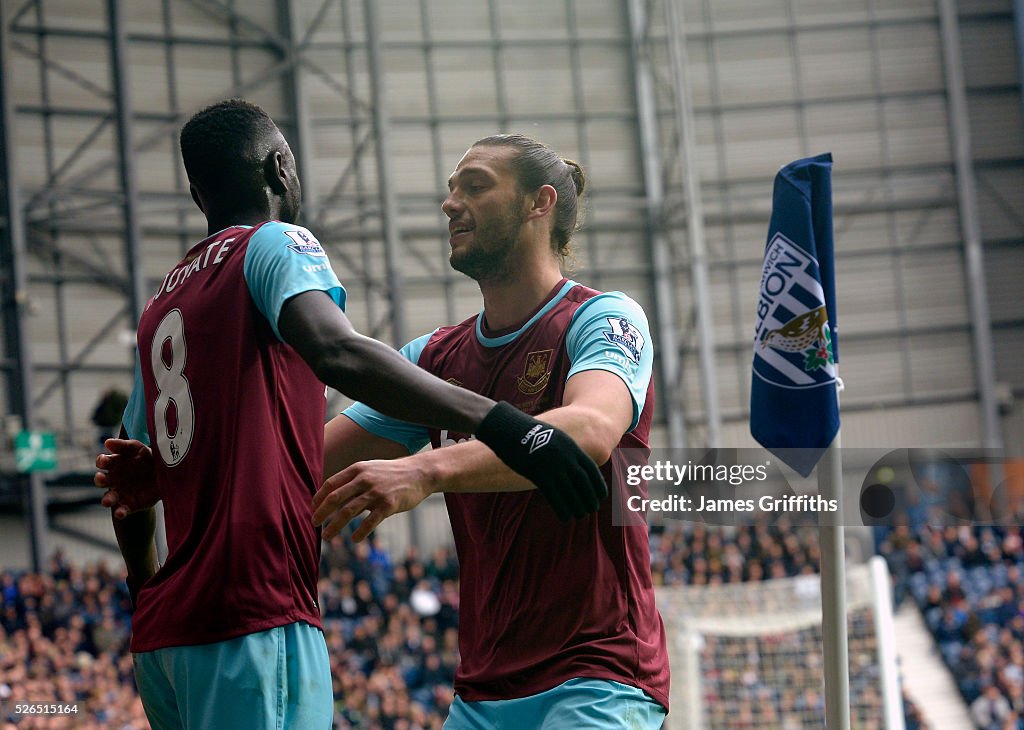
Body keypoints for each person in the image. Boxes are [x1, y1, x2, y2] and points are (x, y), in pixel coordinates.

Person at [94, 103, 604, 730]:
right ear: (282, 169)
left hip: (165, 634)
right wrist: (502, 422)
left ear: (198, 192)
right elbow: (337, 351)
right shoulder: (275, 243)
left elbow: (127, 488)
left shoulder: (159, 306)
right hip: (253, 611)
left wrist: (146, 592)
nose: (450, 204)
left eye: (470, 188)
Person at [311, 134, 670, 728]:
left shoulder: (602, 317)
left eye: (475, 186)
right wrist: (173, 470)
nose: (451, 203)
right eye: (450, 190)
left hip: (599, 676)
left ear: (539, 203)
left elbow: (587, 431)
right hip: (480, 695)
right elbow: (304, 461)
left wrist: (426, 469)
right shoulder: (434, 357)